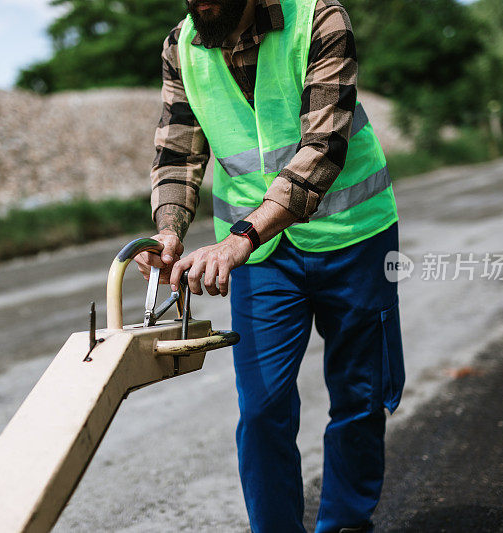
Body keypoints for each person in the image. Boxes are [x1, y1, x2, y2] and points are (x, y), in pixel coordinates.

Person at [135, 0, 405, 531]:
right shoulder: (181, 46)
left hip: (354, 238)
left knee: (359, 396)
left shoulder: (320, 17)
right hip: (262, 259)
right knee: (262, 410)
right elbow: (178, 153)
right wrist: (167, 231)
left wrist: (239, 239)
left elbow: (323, 146)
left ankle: (346, 523)